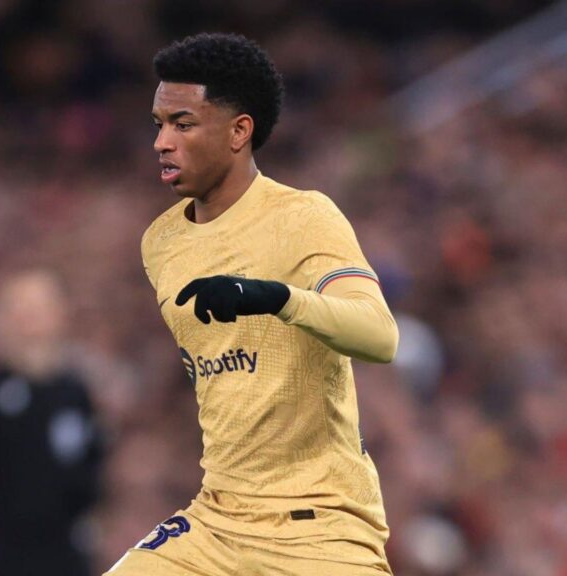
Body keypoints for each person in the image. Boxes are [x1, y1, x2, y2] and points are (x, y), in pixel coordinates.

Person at [106, 33, 398, 576]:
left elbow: (380, 337)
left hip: (319, 527)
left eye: (183, 124)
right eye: (159, 124)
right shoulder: (161, 242)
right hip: (218, 521)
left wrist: (276, 298)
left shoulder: (303, 216)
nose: (161, 142)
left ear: (240, 131)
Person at [0, 270, 104, 576]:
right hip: (1, 551)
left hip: (64, 553)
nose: (29, 319)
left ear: (61, 314)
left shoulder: (76, 395)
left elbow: (92, 472)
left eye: (39, 307)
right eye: (19, 308)